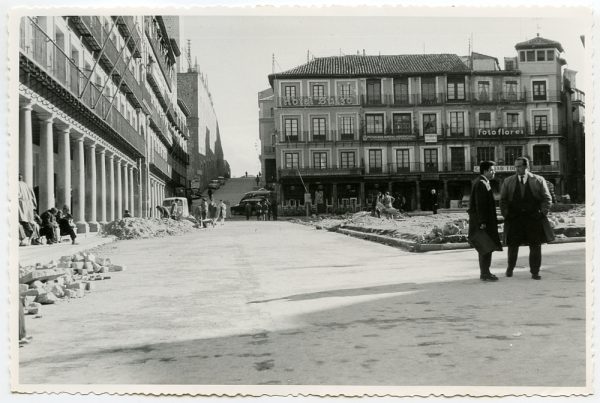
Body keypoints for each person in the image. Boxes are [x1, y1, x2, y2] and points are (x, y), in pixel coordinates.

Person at [500, 156, 553, 280]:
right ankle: (510, 268)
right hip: (515, 219)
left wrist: (542, 213)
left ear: (526, 166)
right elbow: (503, 200)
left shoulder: (538, 180)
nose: (516, 169)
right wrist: (506, 215)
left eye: (519, 166)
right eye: (515, 166)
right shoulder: (508, 181)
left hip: (533, 219)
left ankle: (535, 272)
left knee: (535, 246)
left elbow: (547, 198)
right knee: (513, 245)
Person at [468, 161, 503, 281]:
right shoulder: (482, 183)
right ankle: (485, 273)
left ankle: (485, 272)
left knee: (486, 247)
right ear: (485, 171)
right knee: (485, 247)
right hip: (484, 222)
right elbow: (480, 204)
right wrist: (482, 222)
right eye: (492, 170)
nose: (494, 172)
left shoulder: (482, 182)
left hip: (485, 221)